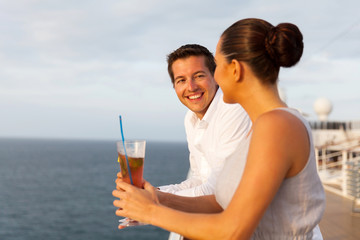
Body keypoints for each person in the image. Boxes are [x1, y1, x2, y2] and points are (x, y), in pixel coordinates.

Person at [113, 18, 326, 239]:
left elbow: (232, 231)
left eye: (217, 64)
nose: (214, 76)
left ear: (235, 69)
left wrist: (150, 212)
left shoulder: (278, 126)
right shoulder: (264, 125)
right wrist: (154, 197)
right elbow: (219, 201)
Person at [160, 44, 252, 240]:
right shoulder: (190, 119)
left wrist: (154, 202)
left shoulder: (233, 110)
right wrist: (153, 191)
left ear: (215, 76)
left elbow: (219, 191)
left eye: (199, 76)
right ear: (174, 87)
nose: (191, 87)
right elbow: (200, 179)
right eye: (181, 80)